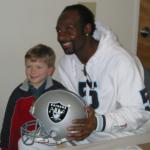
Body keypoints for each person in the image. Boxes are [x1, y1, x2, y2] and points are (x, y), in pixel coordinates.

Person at [56, 4, 150, 143]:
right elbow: (74, 105)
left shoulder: (120, 61)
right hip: (87, 131)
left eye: (69, 29)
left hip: (125, 135)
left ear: (87, 29)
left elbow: (139, 113)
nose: (61, 37)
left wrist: (98, 123)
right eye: (58, 30)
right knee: (29, 142)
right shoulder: (65, 63)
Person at [0, 44, 65, 150]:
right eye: (29, 66)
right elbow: (8, 123)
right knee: (25, 142)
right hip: (23, 143)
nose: (33, 71)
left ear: (50, 70)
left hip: (52, 142)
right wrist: (5, 147)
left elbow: (68, 117)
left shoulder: (59, 91)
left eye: (38, 67)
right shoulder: (18, 94)